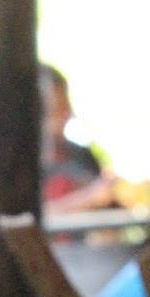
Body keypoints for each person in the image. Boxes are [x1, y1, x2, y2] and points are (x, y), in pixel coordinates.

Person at [40, 63, 115, 214]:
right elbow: (28, 217)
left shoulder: (82, 156)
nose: (67, 115)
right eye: (57, 109)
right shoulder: (20, 167)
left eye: (66, 106)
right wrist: (88, 199)